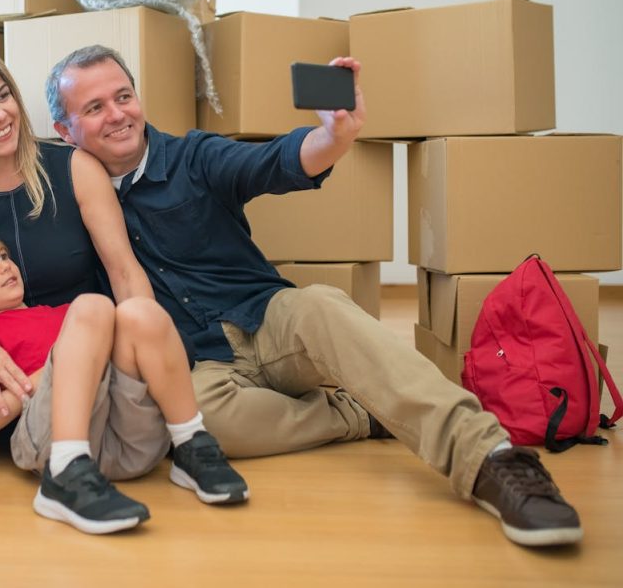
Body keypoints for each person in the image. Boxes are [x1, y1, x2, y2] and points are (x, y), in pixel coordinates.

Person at [43, 44, 583, 548]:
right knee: (198, 423)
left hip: (265, 319)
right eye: (94, 107)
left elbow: (274, 162)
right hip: (196, 362)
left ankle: (490, 457)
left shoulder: (194, 156)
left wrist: (334, 137)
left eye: (123, 96)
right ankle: (357, 414)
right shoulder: (66, 207)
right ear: (65, 130)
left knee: (323, 305)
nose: (117, 114)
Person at [0, 44, 245, 528]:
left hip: (93, 353)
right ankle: (67, 467)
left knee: (130, 311)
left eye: (3, 97)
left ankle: (192, 445)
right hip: (18, 380)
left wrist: (150, 350)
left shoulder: (74, 166)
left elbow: (124, 272)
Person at [0, 221, 247, 533]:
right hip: (49, 444)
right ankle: (66, 471)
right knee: (93, 306)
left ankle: (191, 443)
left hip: (127, 444)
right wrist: (50, 371)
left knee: (139, 311)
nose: (4, 265)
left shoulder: (63, 316)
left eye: (3, 256)